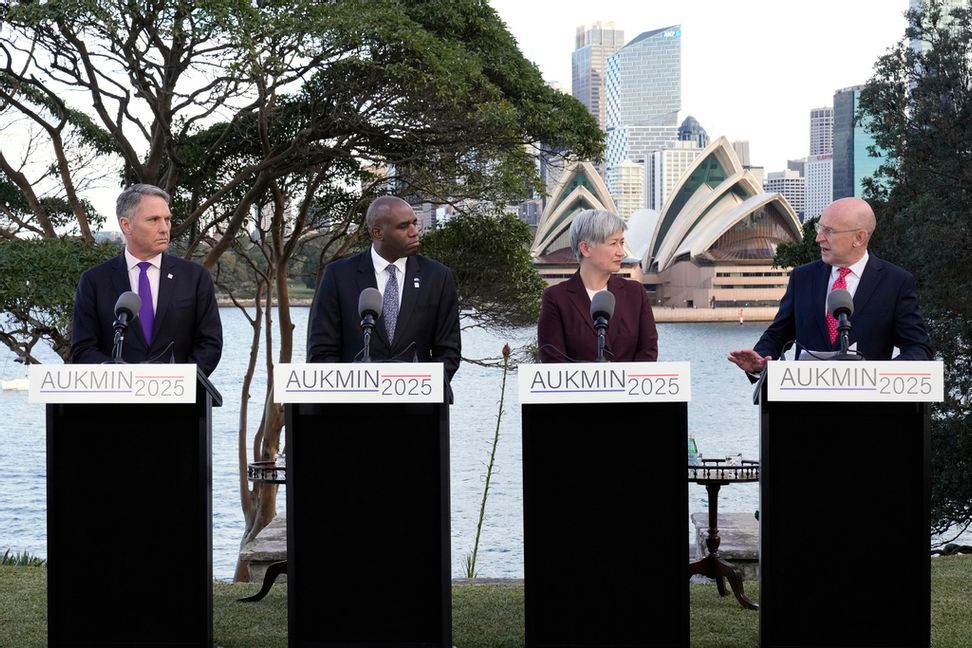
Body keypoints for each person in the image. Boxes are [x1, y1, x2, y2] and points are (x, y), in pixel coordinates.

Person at [728, 197, 931, 374]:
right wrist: (761, 359)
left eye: (829, 231)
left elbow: (918, 348)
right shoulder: (803, 277)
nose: (818, 238)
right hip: (805, 409)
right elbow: (778, 334)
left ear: (859, 238)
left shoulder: (896, 282)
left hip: (869, 411)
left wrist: (883, 374)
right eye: (820, 228)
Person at [306, 196, 461, 392]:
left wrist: (422, 389)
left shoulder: (438, 276)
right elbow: (322, 351)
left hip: (419, 412)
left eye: (415, 223)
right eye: (403, 226)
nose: (414, 232)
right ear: (378, 233)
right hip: (353, 410)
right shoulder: (338, 275)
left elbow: (449, 351)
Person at [70, 184, 223, 376]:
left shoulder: (195, 277)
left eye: (167, 220)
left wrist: (179, 382)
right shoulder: (94, 281)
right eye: (153, 220)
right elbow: (83, 350)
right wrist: (122, 378)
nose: (164, 228)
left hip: (179, 402)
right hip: (118, 401)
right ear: (126, 225)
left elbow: (210, 344)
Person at [537, 209, 658, 362]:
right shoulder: (556, 298)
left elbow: (648, 351)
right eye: (613, 243)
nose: (621, 252)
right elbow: (552, 358)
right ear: (586, 248)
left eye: (621, 243)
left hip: (631, 385)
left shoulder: (635, 293)